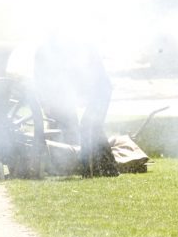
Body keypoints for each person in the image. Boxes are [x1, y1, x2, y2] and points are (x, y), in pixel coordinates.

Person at [33, 33, 119, 177]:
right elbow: (41, 81)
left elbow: (86, 78)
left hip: (101, 91)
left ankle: (91, 170)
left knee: (89, 126)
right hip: (91, 92)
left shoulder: (81, 50)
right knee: (91, 127)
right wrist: (46, 102)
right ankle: (106, 170)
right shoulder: (46, 52)